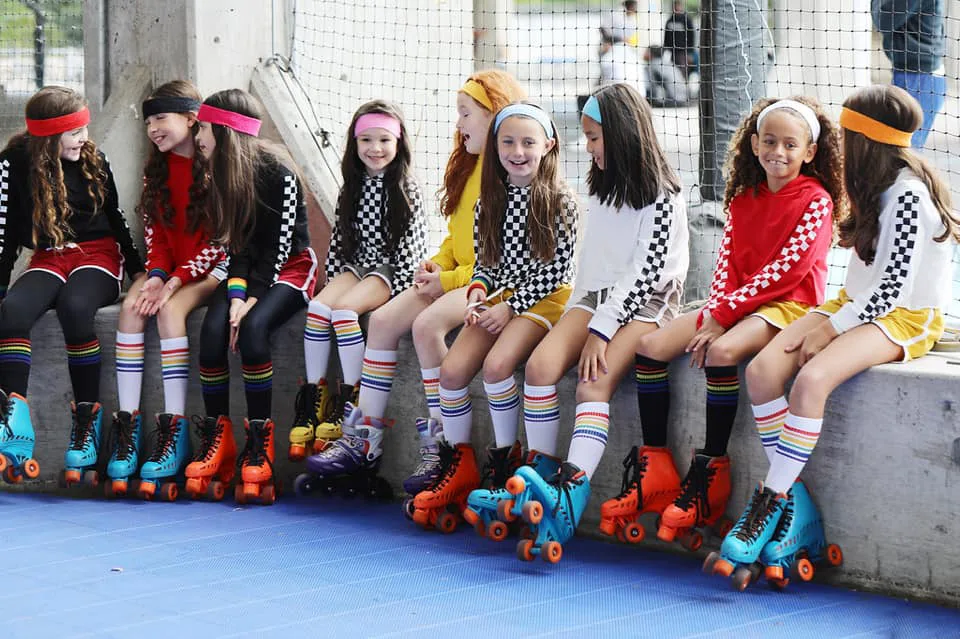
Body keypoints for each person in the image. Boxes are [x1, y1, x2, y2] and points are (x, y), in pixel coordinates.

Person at [712, 84, 957, 582]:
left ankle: (770, 500)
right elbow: (864, 283)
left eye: (846, 136)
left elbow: (892, 289)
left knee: (810, 381)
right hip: (856, 304)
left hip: (903, 317)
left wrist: (830, 332)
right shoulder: (874, 184)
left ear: (865, 140)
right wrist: (832, 319)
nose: (839, 147)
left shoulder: (908, 193)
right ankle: (795, 502)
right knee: (761, 371)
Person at [464, 83, 689, 552]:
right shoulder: (603, 185)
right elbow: (593, 266)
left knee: (592, 383)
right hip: (595, 298)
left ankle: (570, 492)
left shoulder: (663, 195)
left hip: (648, 303)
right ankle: (536, 478)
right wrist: (579, 316)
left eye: (593, 137)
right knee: (542, 368)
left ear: (623, 134)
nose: (586, 147)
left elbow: (644, 274)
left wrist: (600, 331)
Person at [627, 96, 842, 549]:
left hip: (787, 307)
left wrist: (722, 318)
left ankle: (711, 471)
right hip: (736, 303)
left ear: (809, 152)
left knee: (722, 351)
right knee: (650, 347)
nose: (777, 152)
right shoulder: (745, 197)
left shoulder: (816, 201)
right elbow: (726, 265)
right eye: (769, 142)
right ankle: (657, 464)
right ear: (754, 143)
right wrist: (717, 311)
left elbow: (787, 272)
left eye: (790, 144)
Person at [306, 71, 524, 511]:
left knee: (426, 327)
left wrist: (448, 280)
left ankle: (440, 448)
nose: (459, 123)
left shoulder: (504, 175)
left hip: (490, 283)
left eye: (466, 114)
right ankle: (362, 439)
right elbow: (456, 241)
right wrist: (437, 266)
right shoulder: (467, 165)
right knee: (383, 322)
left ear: (494, 116)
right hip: (458, 273)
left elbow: (496, 260)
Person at [410, 102, 579, 533]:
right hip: (500, 298)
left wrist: (510, 308)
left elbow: (559, 271)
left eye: (528, 142)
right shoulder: (492, 201)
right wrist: (479, 295)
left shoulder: (562, 201)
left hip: (544, 301)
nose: (517, 151)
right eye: (508, 142)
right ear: (495, 146)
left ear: (548, 145)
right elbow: (487, 262)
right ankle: (458, 459)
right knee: (450, 372)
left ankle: (506, 461)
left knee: (498, 365)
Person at [0, 86, 144, 485]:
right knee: (11, 312)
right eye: (74, 130)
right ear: (49, 136)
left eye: (84, 127)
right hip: (49, 255)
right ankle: (13, 419)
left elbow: (116, 217)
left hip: (98, 254)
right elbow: (5, 232)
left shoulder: (94, 159)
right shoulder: (14, 163)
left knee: (76, 309)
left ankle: (86, 424)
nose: (84, 137)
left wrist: (138, 272)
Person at [187, 89, 316, 505]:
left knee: (255, 331)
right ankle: (218, 438)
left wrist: (252, 302)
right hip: (251, 270)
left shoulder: (279, 172)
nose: (198, 135)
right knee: (212, 330)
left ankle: (260, 447)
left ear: (224, 131)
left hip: (291, 267)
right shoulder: (223, 173)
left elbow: (279, 251)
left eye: (203, 127)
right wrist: (237, 296)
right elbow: (239, 247)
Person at [295, 101, 427, 482]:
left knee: (344, 312)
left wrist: (399, 289)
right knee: (320, 308)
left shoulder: (406, 191)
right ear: (354, 144)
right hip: (357, 264)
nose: (375, 148)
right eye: (366, 140)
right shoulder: (350, 189)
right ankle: (314, 396)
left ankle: (351, 396)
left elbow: (410, 249)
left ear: (398, 143)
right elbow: (339, 242)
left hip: (387, 270)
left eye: (384, 140)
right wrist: (333, 279)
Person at [108, 80, 227, 498]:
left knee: (168, 311)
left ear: (191, 119)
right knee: (131, 309)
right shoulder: (153, 170)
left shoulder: (215, 166)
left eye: (160, 118)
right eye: (147, 121)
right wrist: (157, 275)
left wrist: (175, 281)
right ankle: (128, 428)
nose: (152, 128)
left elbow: (218, 242)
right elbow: (155, 235)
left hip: (209, 271)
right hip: (171, 269)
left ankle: (173, 433)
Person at [872, 0, 946, 148]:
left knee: (904, 152)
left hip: (919, 78)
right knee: (900, 151)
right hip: (914, 74)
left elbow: (884, 19)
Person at [598, 33, 646, 98]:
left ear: (608, 44)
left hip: (619, 97)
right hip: (640, 97)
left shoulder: (608, 57)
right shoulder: (634, 55)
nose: (602, 47)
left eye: (603, 45)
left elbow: (603, 82)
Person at [663, 0, 696, 78]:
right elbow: (666, 36)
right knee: (673, 73)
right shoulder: (670, 20)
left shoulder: (686, 20)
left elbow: (691, 36)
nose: (676, 9)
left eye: (678, 7)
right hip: (672, 52)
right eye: (675, 7)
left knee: (682, 73)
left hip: (683, 53)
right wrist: (665, 49)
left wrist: (690, 53)